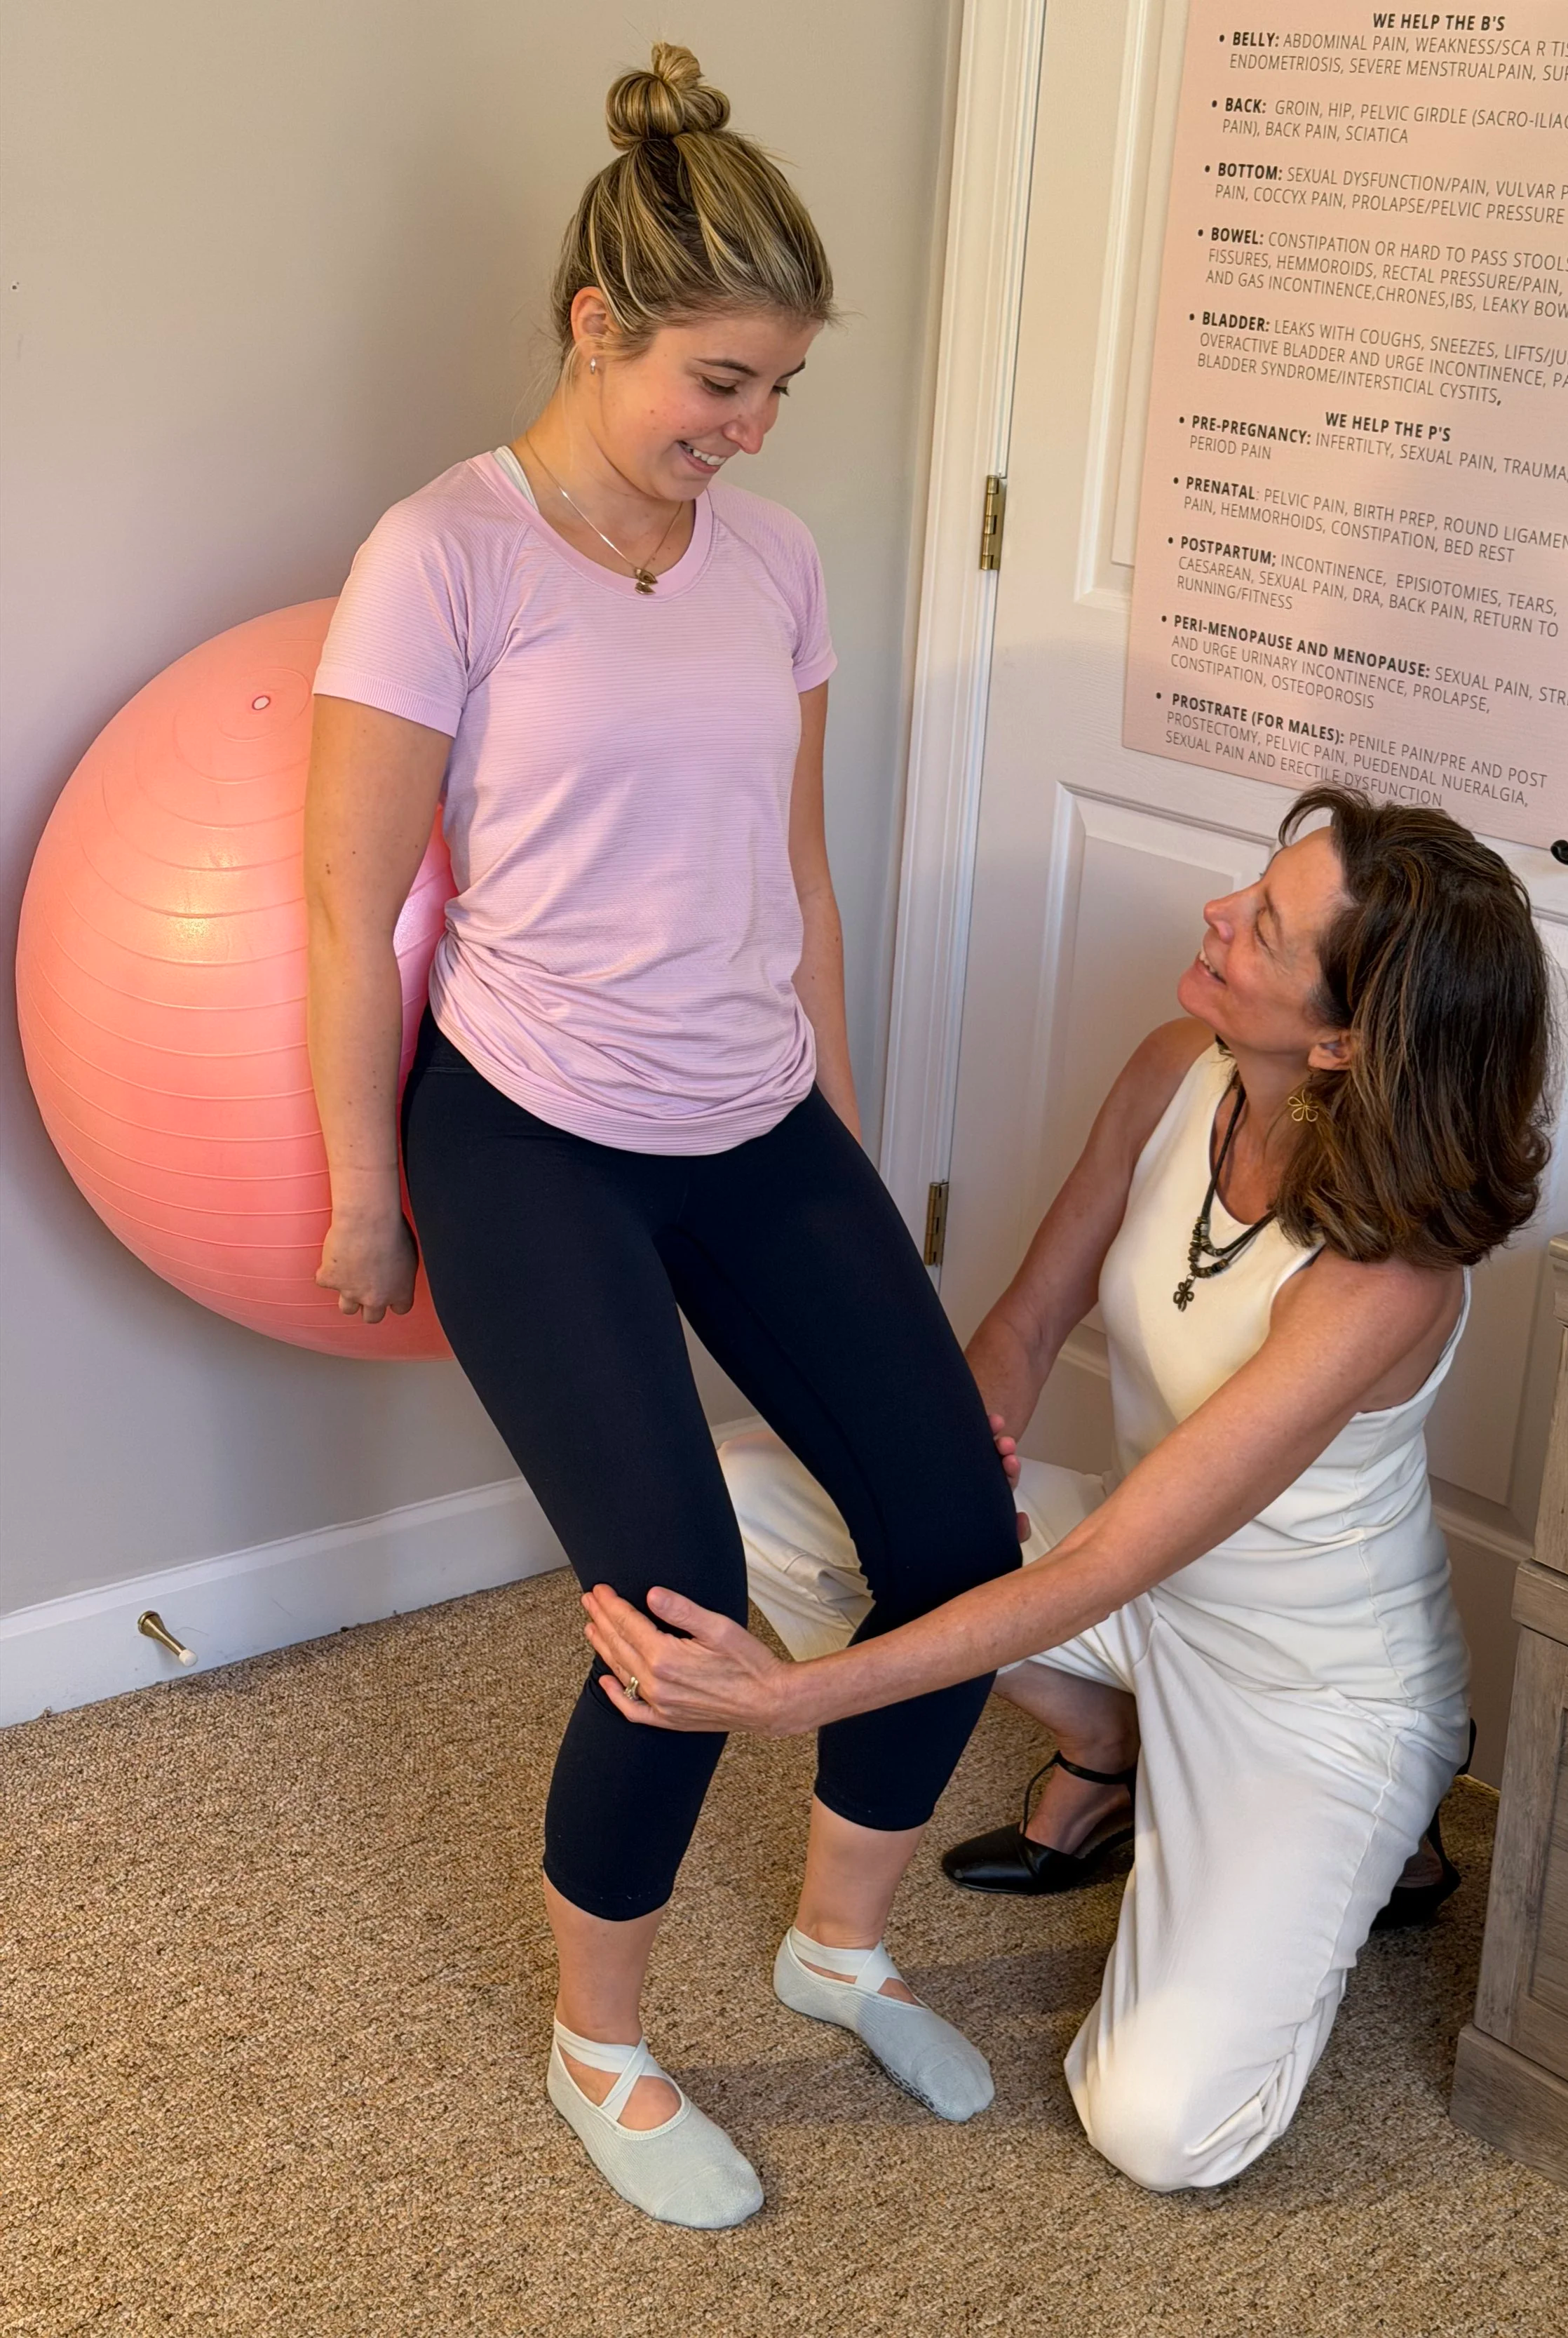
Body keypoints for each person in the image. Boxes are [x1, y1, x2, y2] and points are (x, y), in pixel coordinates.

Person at [304, 45, 1020, 2231]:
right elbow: (354, 900)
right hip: (529, 1130)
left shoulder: (771, 559)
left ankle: (839, 1945)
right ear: (596, 323)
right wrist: (360, 1180)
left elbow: (791, 859)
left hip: (751, 1106)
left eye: (780, 391)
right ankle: (598, 2043)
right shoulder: (441, 556)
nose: (750, 431)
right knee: (682, 1604)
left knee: (963, 1542)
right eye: (720, 378)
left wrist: (836, 1094)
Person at [580, 785, 1555, 2193]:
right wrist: (943, 1479)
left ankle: (1371, 1823)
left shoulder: (1388, 1279)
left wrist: (781, 1701)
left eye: (1265, 927)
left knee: (1157, 2128)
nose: (1218, 915)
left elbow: (1094, 1569)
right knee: (754, 1497)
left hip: (1307, 1679)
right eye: (1250, 889)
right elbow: (1025, 1332)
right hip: (1128, 1572)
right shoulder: (1179, 1068)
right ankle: (1109, 1745)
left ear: (1345, 1038)